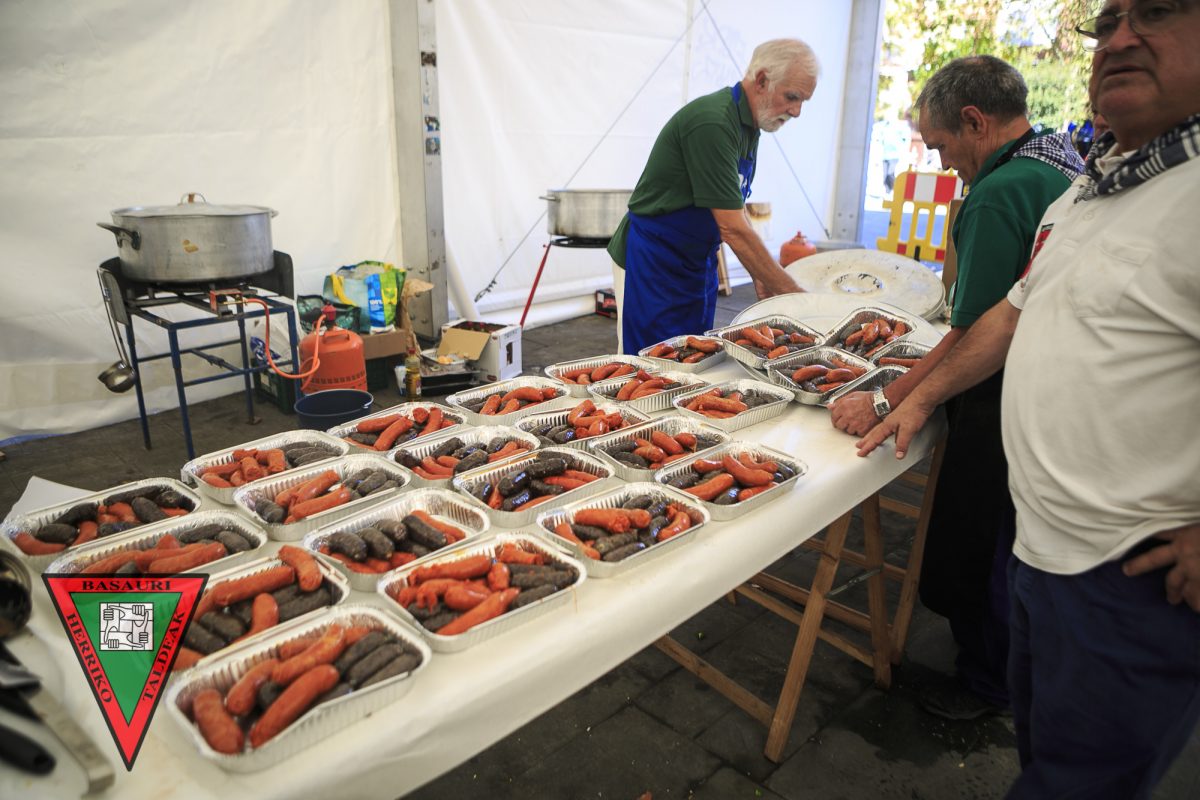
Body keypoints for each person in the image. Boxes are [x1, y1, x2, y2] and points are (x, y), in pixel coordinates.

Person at [857, 1, 1200, 795]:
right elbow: (1008, 317)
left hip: (1130, 575)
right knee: (1042, 742)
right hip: (1042, 547)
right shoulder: (1088, 188)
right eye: (1105, 24)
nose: (1119, 38)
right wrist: (916, 399)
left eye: (1156, 12)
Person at [829, 55, 1084, 720]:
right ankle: (1010, 662)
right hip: (1059, 388)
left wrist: (888, 398)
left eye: (941, 146)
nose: (943, 166)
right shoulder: (1060, 162)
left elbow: (974, 334)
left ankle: (986, 682)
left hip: (1005, 395)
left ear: (975, 121)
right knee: (1015, 539)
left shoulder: (997, 193)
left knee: (978, 538)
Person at [608, 39, 814, 355]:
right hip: (653, 263)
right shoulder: (713, 123)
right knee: (649, 364)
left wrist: (759, 271)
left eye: (803, 102)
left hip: (694, 263)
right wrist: (795, 297)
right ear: (762, 81)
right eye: (792, 97)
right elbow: (732, 226)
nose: (797, 112)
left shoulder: (750, 126)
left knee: (693, 359)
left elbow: (734, 206)